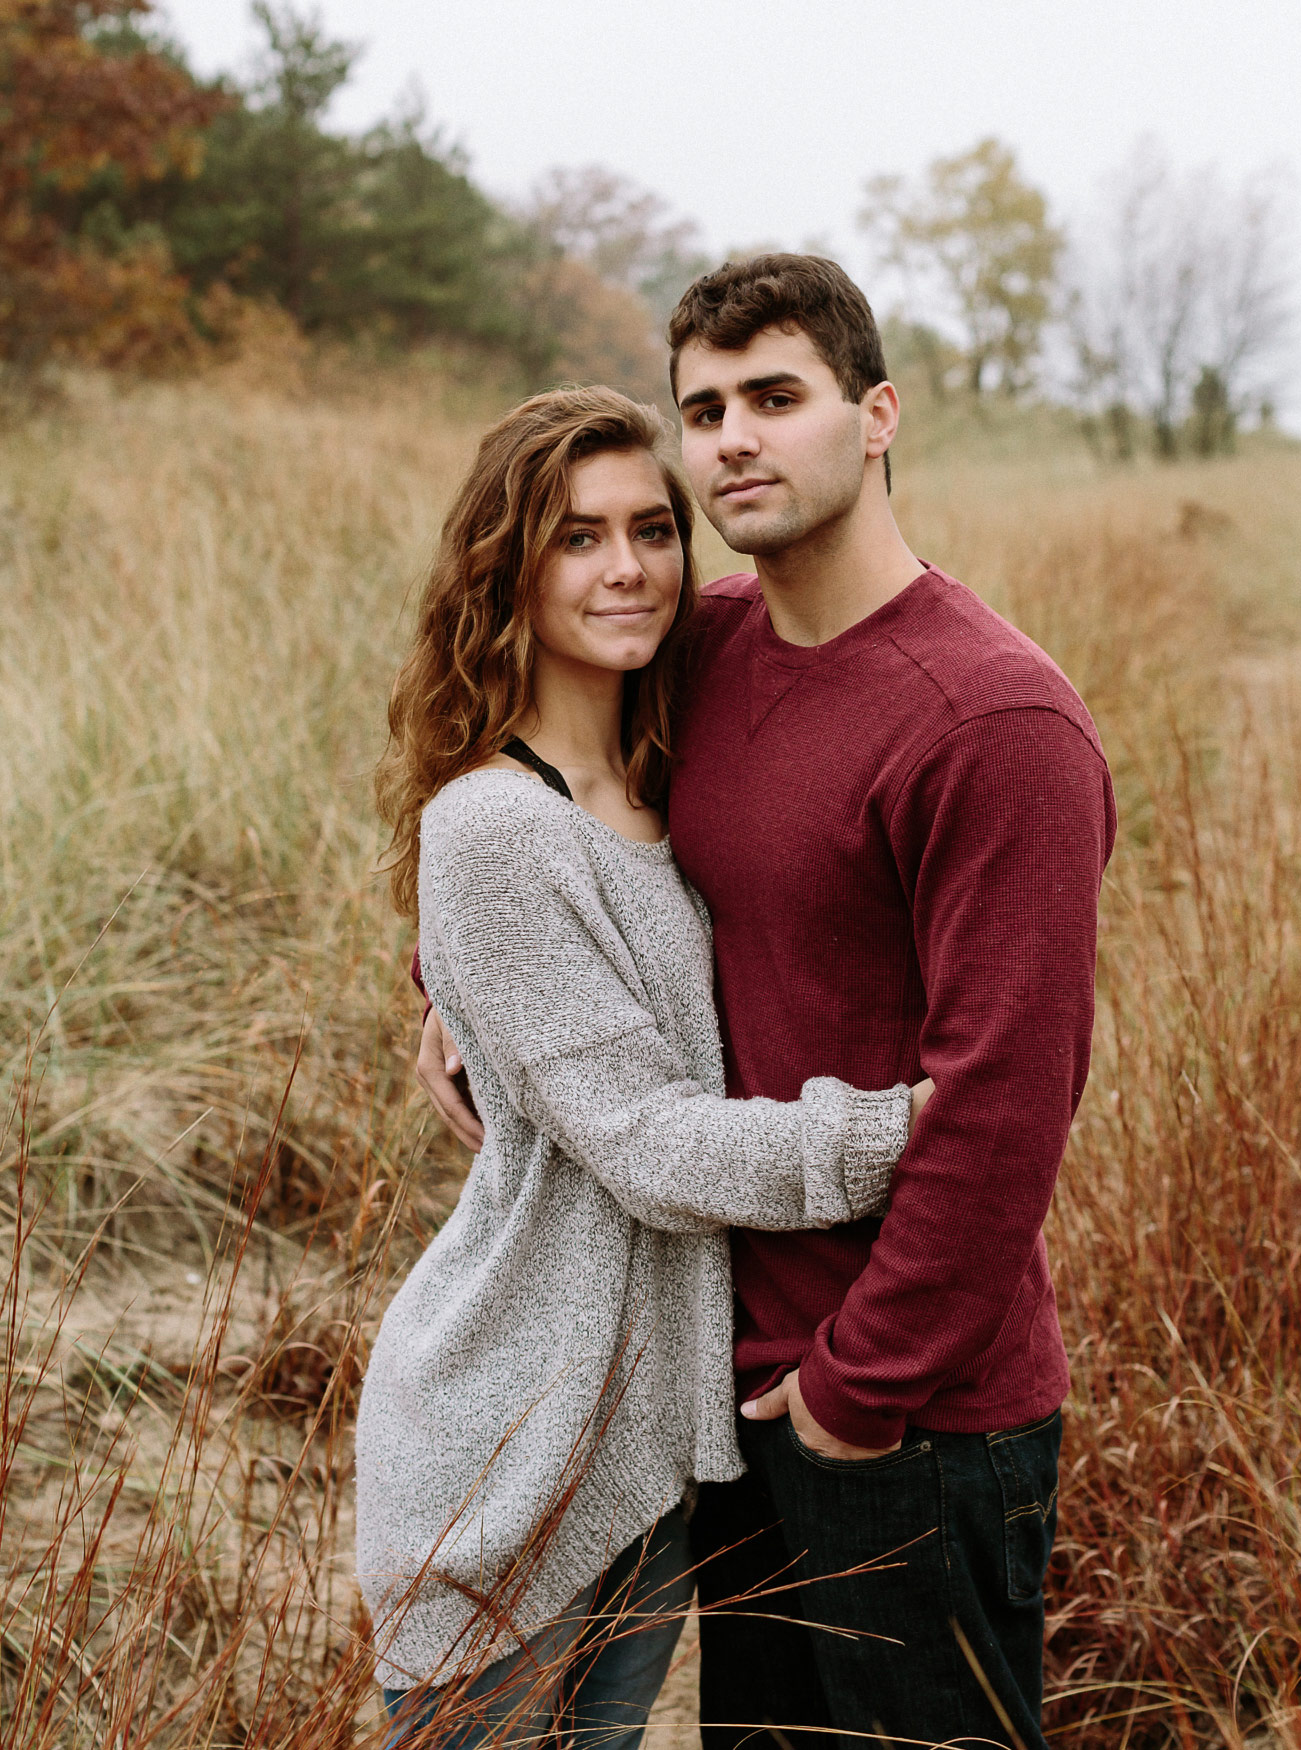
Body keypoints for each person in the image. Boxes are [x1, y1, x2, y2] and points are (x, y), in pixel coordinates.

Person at [417, 256, 1117, 1750]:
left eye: (777, 397)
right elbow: (558, 845)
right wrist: (456, 987)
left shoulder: (993, 721)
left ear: (876, 416)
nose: (734, 435)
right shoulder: (707, 648)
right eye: (707, 406)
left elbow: (1005, 1105)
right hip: (726, 1393)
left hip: (912, 1414)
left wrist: (857, 1396)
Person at [356, 385, 932, 1750]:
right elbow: (650, 1141)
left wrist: (455, 994)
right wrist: (901, 1129)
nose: (627, 567)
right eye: (576, 536)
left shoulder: (670, 771)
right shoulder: (495, 823)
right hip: (502, 1456)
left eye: (653, 528)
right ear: (509, 567)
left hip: (641, 1461)